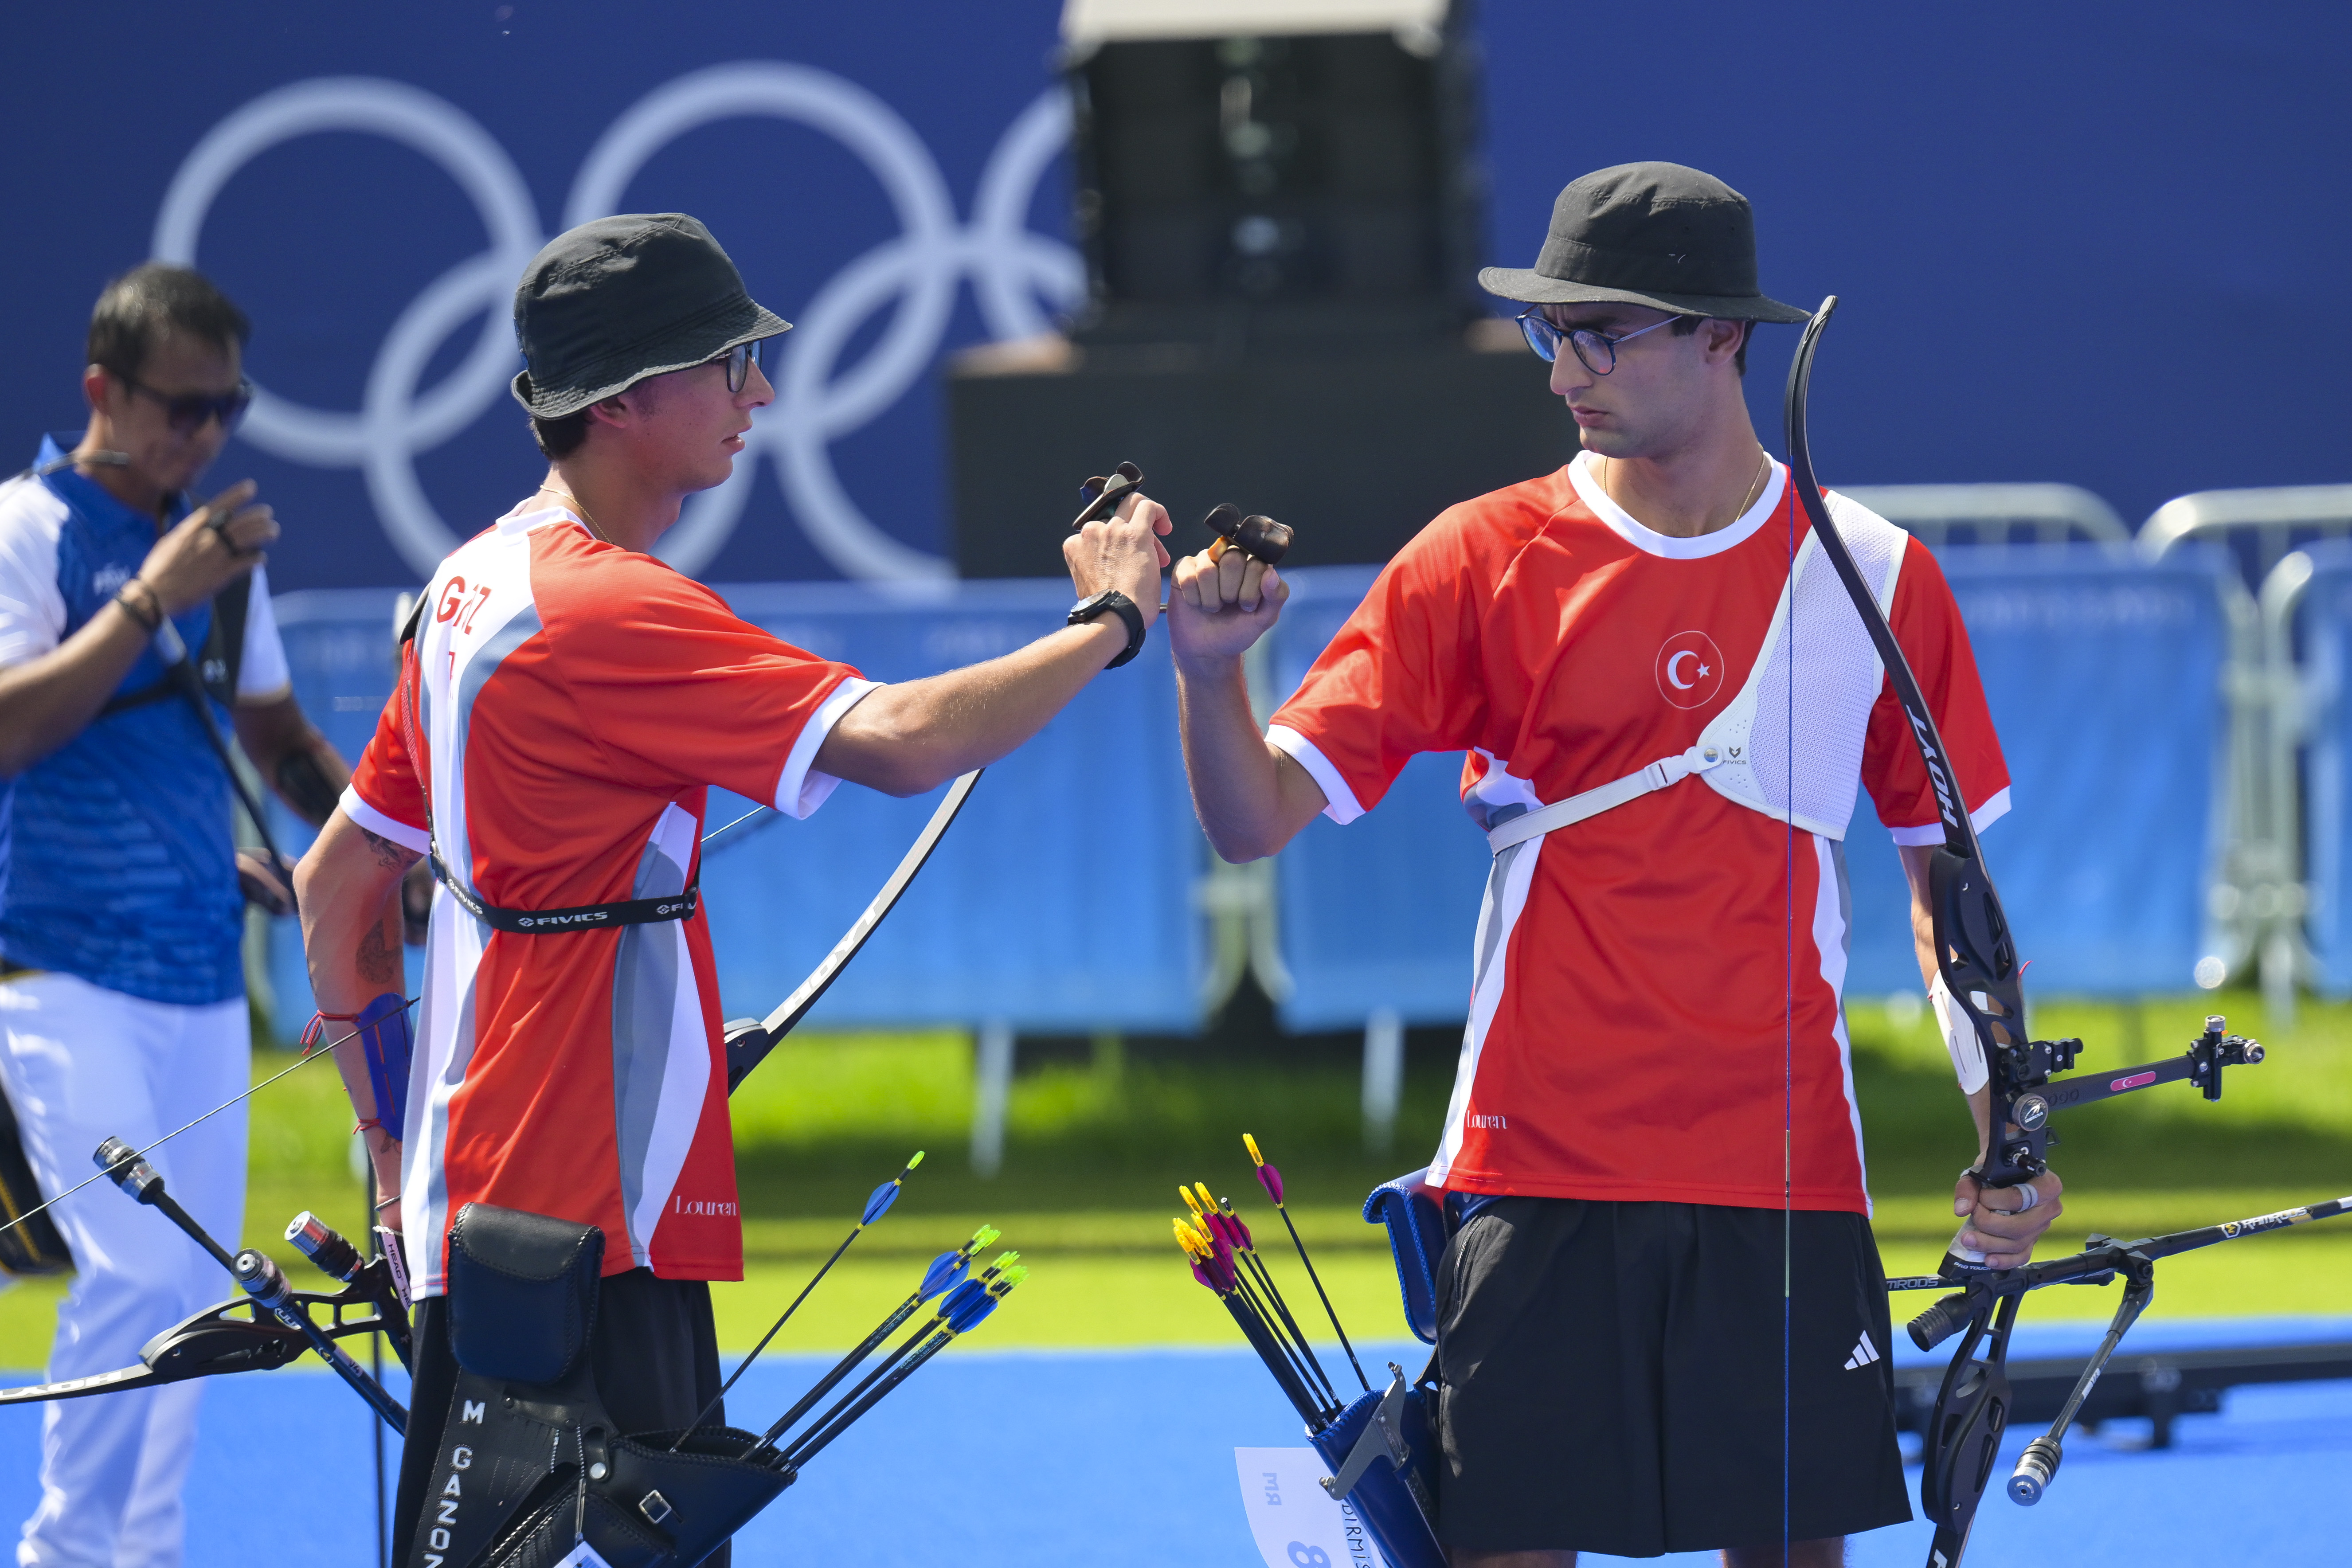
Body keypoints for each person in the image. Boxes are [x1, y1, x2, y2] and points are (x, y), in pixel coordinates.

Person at [1169, 163, 2068, 1566]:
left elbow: (1945, 896)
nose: (1562, 371)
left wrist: (2004, 1127)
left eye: (1604, 332)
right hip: (1536, 1166)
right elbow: (1253, 817)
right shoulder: (1480, 555)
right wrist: (1208, 676)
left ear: (1720, 336)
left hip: (1781, 1172)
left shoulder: (1875, 572)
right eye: (1551, 332)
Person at [290, 212, 1170, 1561]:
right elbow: (899, 740)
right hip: (597, 1204)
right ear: (629, 398)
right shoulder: (598, 605)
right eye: (728, 362)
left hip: (476, 1195)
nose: (760, 392)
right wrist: (1107, 622)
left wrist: (385, 1149)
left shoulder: (468, 585)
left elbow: (335, 883)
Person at [0, 262, 352, 1567]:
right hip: (53, 965)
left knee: (198, 1294)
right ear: (103, 390)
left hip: (200, 972)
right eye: (179, 410)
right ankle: (65, 1555)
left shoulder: (223, 560)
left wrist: (382, 848)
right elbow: (11, 729)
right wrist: (151, 596)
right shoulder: (29, 529)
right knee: (138, 1272)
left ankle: (142, 1554)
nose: (203, 438)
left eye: (226, 410)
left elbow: (278, 743)